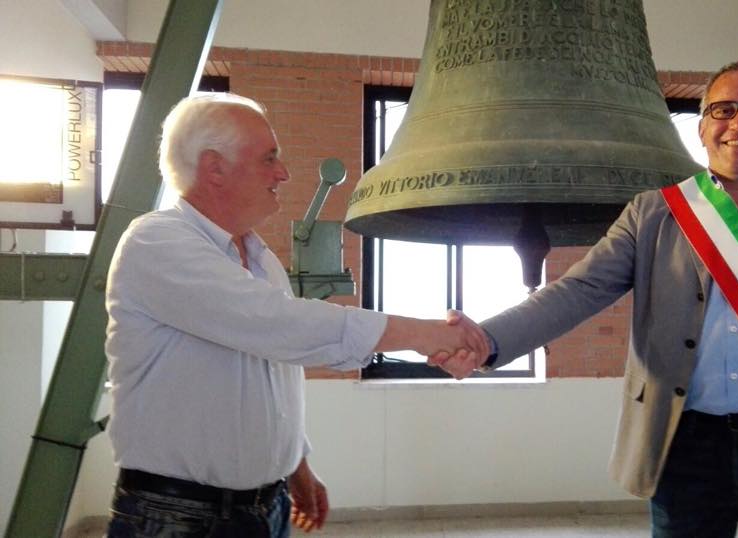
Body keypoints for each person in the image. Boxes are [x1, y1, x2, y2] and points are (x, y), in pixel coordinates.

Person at [433, 60, 738, 537]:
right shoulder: (652, 215)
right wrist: (486, 339)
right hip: (683, 445)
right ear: (703, 128)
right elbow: (578, 291)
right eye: (724, 109)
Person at [104, 93, 488, 536]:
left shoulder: (259, 259)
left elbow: (272, 368)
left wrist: (295, 467)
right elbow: (279, 325)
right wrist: (427, 335)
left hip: (266, 508)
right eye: (269, 158)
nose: (283, 173)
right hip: (176, 519)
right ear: (214, 167)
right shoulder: (156, 242)